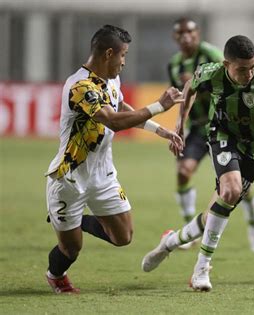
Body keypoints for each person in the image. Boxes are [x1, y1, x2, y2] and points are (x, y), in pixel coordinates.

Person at [142, 35, 254, 291]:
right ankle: (202, 268)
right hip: (222, 136)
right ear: (226, 64)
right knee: (231, 190)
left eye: (252, 67)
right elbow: (190, 87)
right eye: (242, 69)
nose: (249, 73)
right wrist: (180, 123)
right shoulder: (211, 73)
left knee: (216, 211)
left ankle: (170, 243)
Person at [44, 24, 184, 294]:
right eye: (123, 55)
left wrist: (160, 130)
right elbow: (112, 121)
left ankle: (79, 221)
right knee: (71, 249)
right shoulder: (79, 86)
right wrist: (159, 106)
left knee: (123, 236)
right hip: (70, 178)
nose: (124, 61)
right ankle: (55, 275)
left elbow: (120, 108)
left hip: (103, 174)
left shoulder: (111, 79)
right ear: (109, 53)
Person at [168, 17, 254, 253]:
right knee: (183, 173)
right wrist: (180, 120)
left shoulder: (213, 56)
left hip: (226, 127)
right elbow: (184, 94)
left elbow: (228, 88)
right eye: (181, 33)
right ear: (175, 37)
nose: (186, 37)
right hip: (198, 128)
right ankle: (188, 225)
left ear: (198, 33)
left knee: (238, 185)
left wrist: (197, 85)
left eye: (190, 32)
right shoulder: (174, 64)